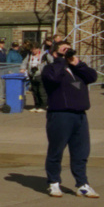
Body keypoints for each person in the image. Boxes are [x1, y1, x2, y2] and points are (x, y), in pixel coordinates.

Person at [40, 40, 99, 198]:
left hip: (79, 115)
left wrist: (77, 63)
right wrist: (60, 60)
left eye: (70, 49)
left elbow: (92, 76)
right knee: (56, 150)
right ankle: (54, 182)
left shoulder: (76, 69)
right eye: (64, 49)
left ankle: (82, 184)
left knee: (81, 151)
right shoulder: (50, 69)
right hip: (60, 114)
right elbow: (53, 79)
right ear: (55, 53)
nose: (68, 52)